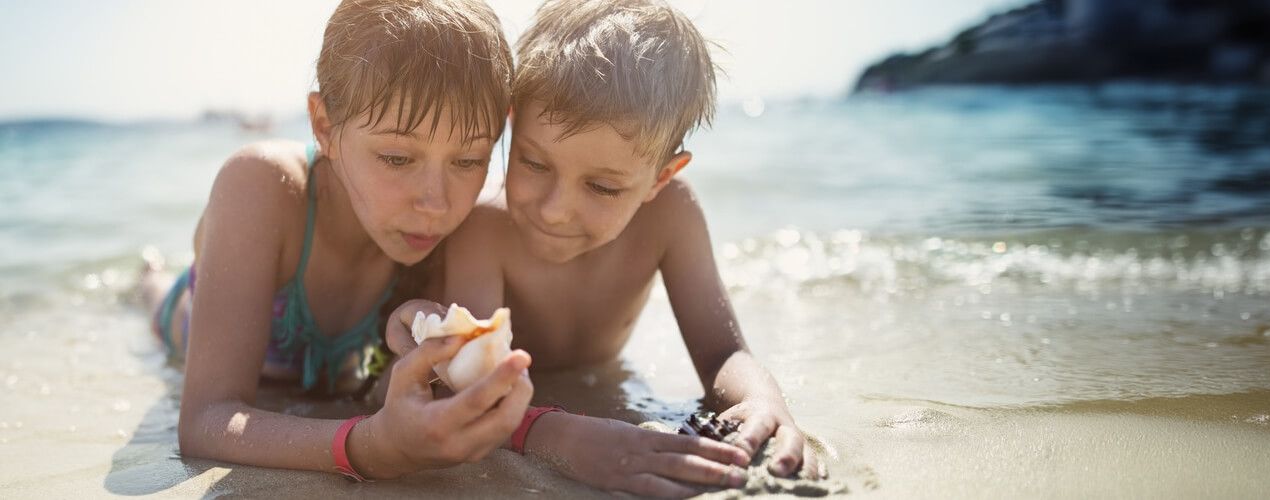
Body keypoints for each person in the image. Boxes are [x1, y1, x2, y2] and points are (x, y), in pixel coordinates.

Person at [386, 0, 824, 496]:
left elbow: (722, 352)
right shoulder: (485, 226)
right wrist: (555, 433)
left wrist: (764, 401)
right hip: (533, 401)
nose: (554, 209)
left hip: (601, 380)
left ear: (660, 177)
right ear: (513, 122)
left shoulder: (671, 214)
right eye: (534, 163)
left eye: (603, 188)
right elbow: (471, 385)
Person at [137, 0, 532, 480]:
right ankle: (149, 278)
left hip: (318, 363)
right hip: (191, 314)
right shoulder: (263, 187)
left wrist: (421, 357)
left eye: (469, 160)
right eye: (396, 157)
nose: (436, 202)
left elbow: (393, 390)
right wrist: (368, 446)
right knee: (157, 302)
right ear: (325, 127)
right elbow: (205, 419)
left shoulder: (459, 225)